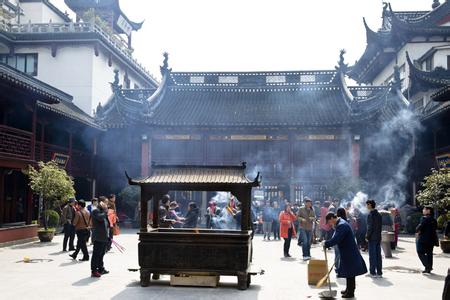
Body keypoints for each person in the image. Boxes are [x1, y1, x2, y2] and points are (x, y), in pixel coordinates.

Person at [324, 212, 367, 298]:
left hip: (349, 252)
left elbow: (337, 239)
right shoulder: (340, 223)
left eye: (329, 222)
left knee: (350, 272)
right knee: (349, 272)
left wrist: (326, 243)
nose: (329, 224)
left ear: (332, 218)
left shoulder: (341, 225)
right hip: (347, 251)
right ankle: (348, 289)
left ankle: (351, 292)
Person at [416, 206, 439, 273]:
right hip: (431, 239)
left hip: (423, 239)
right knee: (429, 253)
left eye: (424, 209)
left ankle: (427, 266)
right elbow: (435, 228)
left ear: (428, 211)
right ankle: (428, 268)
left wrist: (417, 229)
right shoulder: (434, 219)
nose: (423, 210)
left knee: (420, 251)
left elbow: (420, 227)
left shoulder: (424, 218)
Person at [90, 198, 110, 278]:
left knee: (101, 254)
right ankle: (94, 270)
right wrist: (105, 212)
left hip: (103, 237)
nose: (106, 205)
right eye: (105, 203)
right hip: (98, 237)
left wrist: (107, 236)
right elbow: (100, 218)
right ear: (100, 203)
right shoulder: (96, 211)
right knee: (96, 254)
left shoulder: (103, 213)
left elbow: (106, 226)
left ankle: (101, 268)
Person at [366, 199, 383, 278]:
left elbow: (370, 227)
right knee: (378, 255)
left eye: (367, 204)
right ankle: (379, 273)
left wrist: (367, 236)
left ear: (370, 205)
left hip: (372, 238)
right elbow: (380, 227)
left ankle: (372, 272)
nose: (366, 206)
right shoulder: (379, 215)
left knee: (372, 255)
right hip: (378, 237)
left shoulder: (370, 215)